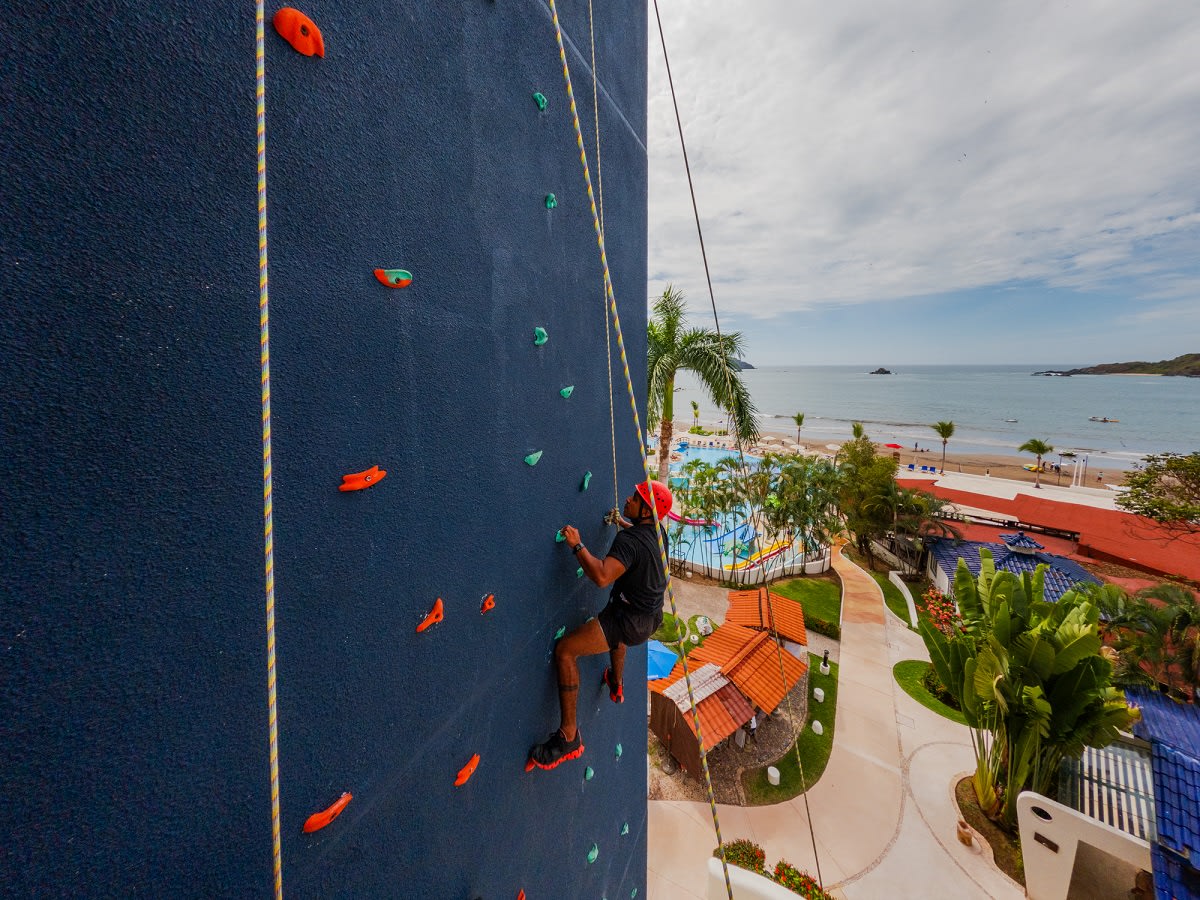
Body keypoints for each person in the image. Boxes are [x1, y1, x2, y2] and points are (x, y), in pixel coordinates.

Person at [527, 480, 672, 770]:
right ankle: (616, 683)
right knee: (617, 638)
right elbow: (636, 539)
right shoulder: (658, 534)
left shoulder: (628, 544)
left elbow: (603, 576)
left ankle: (569, 736)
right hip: (651, 617)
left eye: (635, 499)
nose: (628, 500)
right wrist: (621, 521)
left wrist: (577, 545)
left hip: (626, 620)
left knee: (566, 651)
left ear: (645, 510)